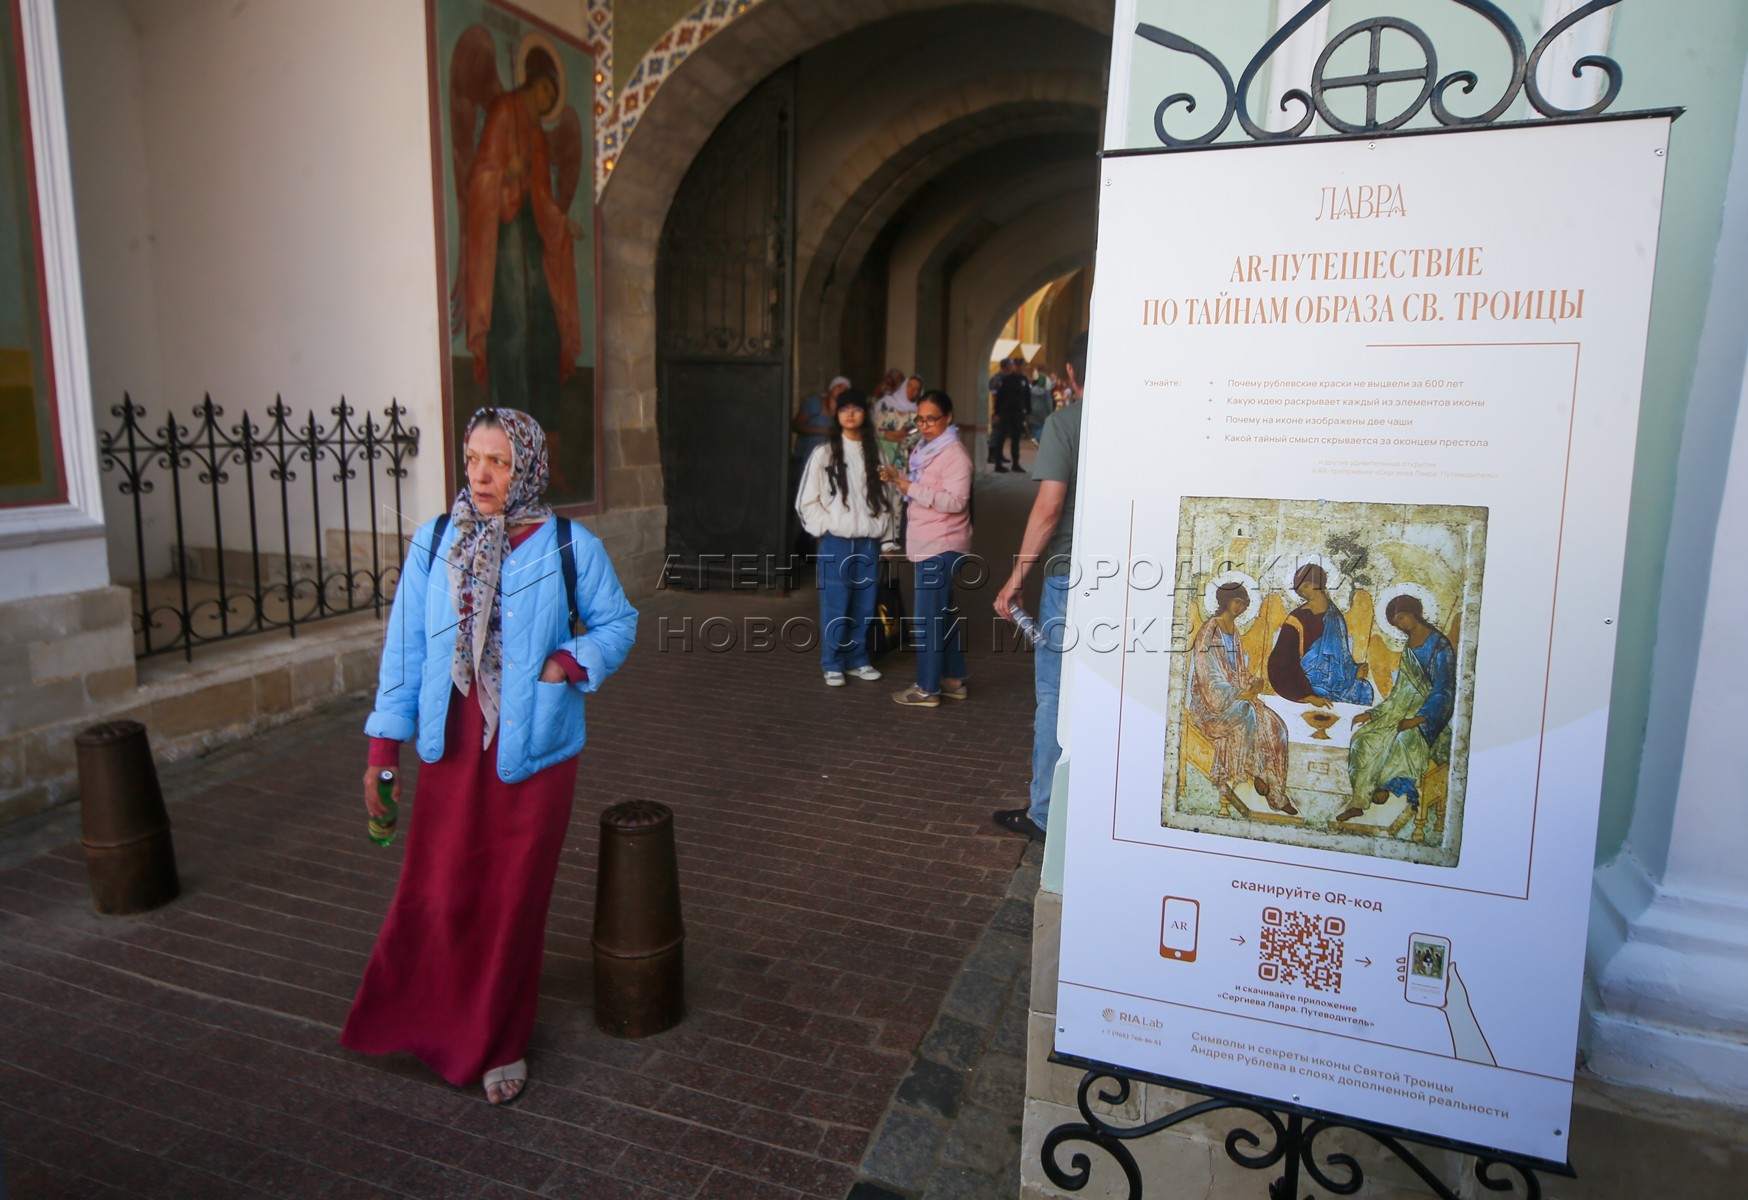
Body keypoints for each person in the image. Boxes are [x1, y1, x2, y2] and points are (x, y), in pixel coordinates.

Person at [343, 407, 638, 1105]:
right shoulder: (435, 541)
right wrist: (383, 750)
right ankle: (425, 1022)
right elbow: (406, 652)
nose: (481, 474)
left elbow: (618, 621)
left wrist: (568, 663)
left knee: (512, 901)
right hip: (450, 747)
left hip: (532, 749)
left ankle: (500, 1043)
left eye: (499, 462)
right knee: (438, 891)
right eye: (473, 457)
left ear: (527, 468)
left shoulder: (568, 544)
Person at [992, 333, 1086, 840]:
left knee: (1054, 692)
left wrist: (1015, 578)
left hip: (1072, 578)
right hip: (1134, 576)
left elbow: (1049, 508)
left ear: (1069, 375)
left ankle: (1046, 814)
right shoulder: (1146, 425)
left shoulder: (1066, 422)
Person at [461, 50, 585, 413]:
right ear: (533, 81)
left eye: (553, 94)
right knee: (513, 321)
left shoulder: (538, 134)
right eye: (546, 89)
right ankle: (508, 414)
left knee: (543, 325)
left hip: (532, 234)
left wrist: (561, 223)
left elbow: (544, 195)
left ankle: (539, 418)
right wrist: (506, 173)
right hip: (503, 232)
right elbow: (481, 177)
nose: (547, 99)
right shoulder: (504, 112)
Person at [795, 389, 899, 685]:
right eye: (844, 409)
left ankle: (857, 659)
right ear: (837, 415)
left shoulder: (876, 453)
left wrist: (889, 541)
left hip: (868, 543)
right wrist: (826, 526)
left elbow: (889, 499)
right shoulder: (823, 453)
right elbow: (806, 502)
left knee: (865, 606)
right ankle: (832, 662)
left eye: (856, 408)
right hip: (836, 543)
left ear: (864, 414)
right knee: (835, 605)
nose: (850, 413)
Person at [880, 390, 971, 708]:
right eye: (921, 418)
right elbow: (922, 486)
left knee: (928, 619)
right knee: (942, 616)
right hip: (927, 542)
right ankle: (953, 679)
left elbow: (956, 501)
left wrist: (912, 488)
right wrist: (899, 478)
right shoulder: (926, 448)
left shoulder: (955, 454)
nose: (926, 424)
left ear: (948, 418)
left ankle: (927, 688)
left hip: (941, 544)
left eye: (932, 418)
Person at [1340, 593, 1456, 823]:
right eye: (1396, 623)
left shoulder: (1439, 647)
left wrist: (1420, 719)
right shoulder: (1409, 649)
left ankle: (1384, 784)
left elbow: (1445, 690)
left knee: (1404, 739)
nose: (1401, 625)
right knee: (1363, 739)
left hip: (1429, 717)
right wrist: (1373, 713)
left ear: (1414, 613)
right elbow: (1401, 692)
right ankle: (1359, 800)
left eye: (1402, 618)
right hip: (1401, 709)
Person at [1187, 582, 1296, 817]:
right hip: (1211, 705)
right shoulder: (1209, 631)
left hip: (1236, 696)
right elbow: (1208, 676)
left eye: (1244, 604)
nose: (1240, 607)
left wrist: (1252, 682)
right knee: (1247, 711)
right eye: (1237, 602)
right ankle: (1254, 772)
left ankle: (1275, 791)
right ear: (1226, 601)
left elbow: (1237, 671)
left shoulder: (1233, 632)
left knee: (1276, 726)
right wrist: (1238, 694)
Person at [1267, 563, 1373, 706]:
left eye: (1305, 586)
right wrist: (1307, 695)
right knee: (1321, 692)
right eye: (1299, 590)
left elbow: (1342, 655)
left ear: (1318, 583)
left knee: (1364, 688)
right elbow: (1281, 660)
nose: (1302, 592)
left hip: (1334, 679)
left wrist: (1355, 670)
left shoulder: (1335, 616)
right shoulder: (1297, 618)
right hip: (1307, 680)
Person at [875, 374, 923, 472]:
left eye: (916, 388)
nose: (912, 390)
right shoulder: (886, 404)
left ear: (920, 393)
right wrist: (895, 435)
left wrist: (890, 435)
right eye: (910, 386)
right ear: (904, 386)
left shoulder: (920, 412)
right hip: (883, 456)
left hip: (904, 462)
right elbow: (874, 430)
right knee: (882, 481)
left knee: (898, 484)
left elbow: (915, 437)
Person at [991, 357, 1031, 472]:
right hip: (1006, 413)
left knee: (1016, 439)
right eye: (1016, 365)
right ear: (1013, 366)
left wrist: (1028, 413)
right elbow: (999, 396)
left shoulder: (1024, 380)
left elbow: (1027, 397)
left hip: (1018, 414)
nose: (1018, 368)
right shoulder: (1006, 379)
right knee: (1001, 438)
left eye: (1020, 366)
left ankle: (1016, 464)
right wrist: (997, 412)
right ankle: (998, 464)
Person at [1027, 364, 1052, 444]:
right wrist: (1050, 412)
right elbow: (1049, 403)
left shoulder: (1032, 391)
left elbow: (1029, 400)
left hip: (1033, 409)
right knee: (1041, 425)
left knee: (1034, 425)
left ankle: (1034, 438)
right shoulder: (1046, 391)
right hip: (1043, 410)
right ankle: (1038, 439)